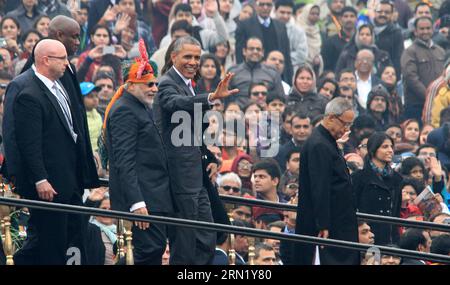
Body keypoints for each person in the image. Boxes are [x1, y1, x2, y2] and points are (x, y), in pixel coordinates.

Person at [153, 36, 238, 265]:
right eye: (187, 57)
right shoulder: (167, 83)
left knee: (206, 235)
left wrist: (207, 157)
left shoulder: (190, 85)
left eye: (197, 58)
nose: (193, 62)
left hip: (195, 174)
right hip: (179, 174)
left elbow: (190, 133)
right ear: (173, 57)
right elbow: (174, 103)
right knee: (185, 239)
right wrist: (211, 97)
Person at [12, 39, 87, 265]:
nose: (67, 63)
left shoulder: (59, 85)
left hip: (69, 179)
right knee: (49, 244)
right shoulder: (30, 94)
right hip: (50, 185)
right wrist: (40, 179)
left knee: (69, 237)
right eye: (62, 58)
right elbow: (29, 144)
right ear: (46, 60)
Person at [104, 41, 175, 264]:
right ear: (131, 85)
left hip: (154, 197)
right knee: (147, 251)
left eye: (155, 84)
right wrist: (136, 203)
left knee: (152, 250)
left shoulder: (140, 105)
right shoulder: (124, 109)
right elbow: (124, 161)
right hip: (143, 200)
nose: (155, 88)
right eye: (148, 84)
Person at [292, 97, 360, 265]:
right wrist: (322, 224)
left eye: (349, 126)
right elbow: (319, 187)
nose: (345, 129)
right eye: (344, 124)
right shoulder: (319, 145)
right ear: (330, 118)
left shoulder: (327, 142)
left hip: (339, 222)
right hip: (329, 227)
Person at [352, 132, 403, 245]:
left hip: (390, 237)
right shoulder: (359, 177)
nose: (390, 150)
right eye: (385, 147)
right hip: (367, 235)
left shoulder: (397, 178)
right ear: (373, 150)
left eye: (391, 147)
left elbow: (396, 210)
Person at [235, 0, 293, 82]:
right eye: (262, 4)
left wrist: (289, 79)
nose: (265, 7)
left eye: (268, 5)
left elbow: (286, 54)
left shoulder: (280, 26)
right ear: (255, 6)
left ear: (272, 6)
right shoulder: (245, 25)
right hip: (253, 74)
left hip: (277, 74)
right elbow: (240, 53)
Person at [401, 16, 446, 121]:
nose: (425, 31)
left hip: (439, 104)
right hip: (417, 105)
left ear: (432, 30)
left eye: (428, 28)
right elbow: (410, 77)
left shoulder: (440, 51)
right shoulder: (410, 51)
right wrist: (429, 95)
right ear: (415, 31)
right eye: (422, 29)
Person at [227, 38, 284, 107]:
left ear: (263, 52)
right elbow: (226, 96)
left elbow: (280, 97)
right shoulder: (233, 71)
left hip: (265, 113)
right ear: (244, 51)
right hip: (238, 113)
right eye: (251, 49)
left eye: (258, 49)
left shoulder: (272, 72)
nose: (255, 51)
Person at [80, 82, 102, 153]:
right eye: (90, 96)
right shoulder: (79, 117)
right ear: (81, 98)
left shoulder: (98, 115)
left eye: (96, 96)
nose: (95, 99)